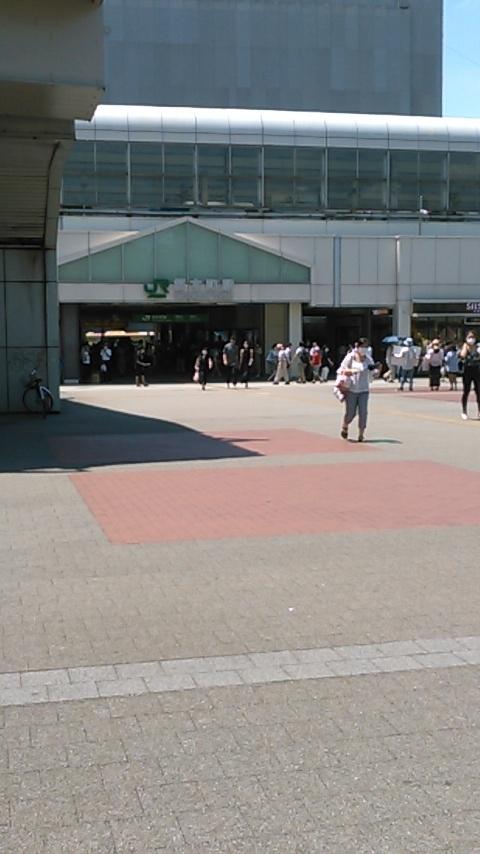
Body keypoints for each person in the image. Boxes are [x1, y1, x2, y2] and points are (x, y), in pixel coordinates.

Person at [338, 338, 374, 442]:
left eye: (366, 347)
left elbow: (372, 372)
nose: (364, 349)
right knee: (351, 413)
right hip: (351, 389)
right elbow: (342, 370)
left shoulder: (368, 359)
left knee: (363, 413)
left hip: (364, 389)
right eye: (362, 346)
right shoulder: (350, 357)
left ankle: (361, 434)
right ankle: (345, 425)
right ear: (357, 347)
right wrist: (352, 371)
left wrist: (376, 370)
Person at [459, 331, 480, 420]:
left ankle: (479, 411)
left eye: (473, 337)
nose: (471, 339)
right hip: (467, 371)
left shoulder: (478, 347)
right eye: (469, 337)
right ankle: (464, 411)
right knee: (466, 391)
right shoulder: (465, 346)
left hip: (477, 371)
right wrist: (465, 347)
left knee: (478, 391)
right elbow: (462, 355)